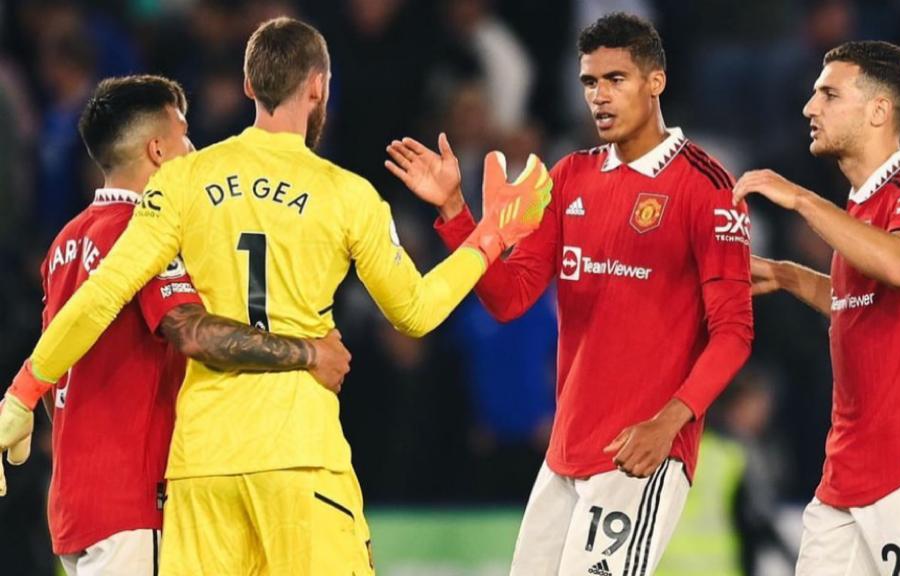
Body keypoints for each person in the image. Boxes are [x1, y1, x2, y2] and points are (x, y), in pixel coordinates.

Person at [0, 16, 551, 576]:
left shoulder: (184, 182)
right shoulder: (347, 195)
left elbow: (101, 297)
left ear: (248, 87)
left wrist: (23, 393)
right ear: (318, 87)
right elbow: (415, 313)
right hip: (300, 461)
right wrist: (488, 236)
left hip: (203, 471)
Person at [386, 12, 752, 575]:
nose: (599, 97)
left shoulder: (707, 188)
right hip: (564, 456)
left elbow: (733, 335)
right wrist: (458, 215)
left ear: (656, 81)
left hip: (641, 455)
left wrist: (669, 422)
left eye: (616, 79)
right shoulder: (568, 178)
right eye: (589, 82)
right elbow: (510, 298)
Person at [8, 74, 352, 576]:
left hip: (74, 505)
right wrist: (310, 352)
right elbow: (190, 332)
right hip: (134, 501)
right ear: (158, 151)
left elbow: (60, 360)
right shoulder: (142, 233)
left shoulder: (66, 242)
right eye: (185, 135)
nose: (195, 149)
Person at [733, 41, 900, 575]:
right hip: (844, 484)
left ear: (878, 110)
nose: (810, 107)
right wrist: (786, 274)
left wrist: (801, 200)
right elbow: (858, 304)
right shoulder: (862, 212)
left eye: (828, 94)